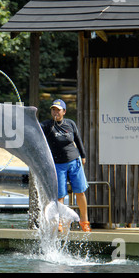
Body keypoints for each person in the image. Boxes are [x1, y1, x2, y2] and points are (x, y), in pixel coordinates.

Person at [40, 99, 91, 232]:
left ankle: (84, 221)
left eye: (58, 110)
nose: (55, 112)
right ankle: (60, 222)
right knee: (60, 195)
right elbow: (36, 130)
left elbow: (78, 140)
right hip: (58, 164)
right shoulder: (46, 125)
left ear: (64, 111)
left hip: (74, 161)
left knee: (80, 192)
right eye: (53, 109)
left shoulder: (70, 124)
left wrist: (83, 156)